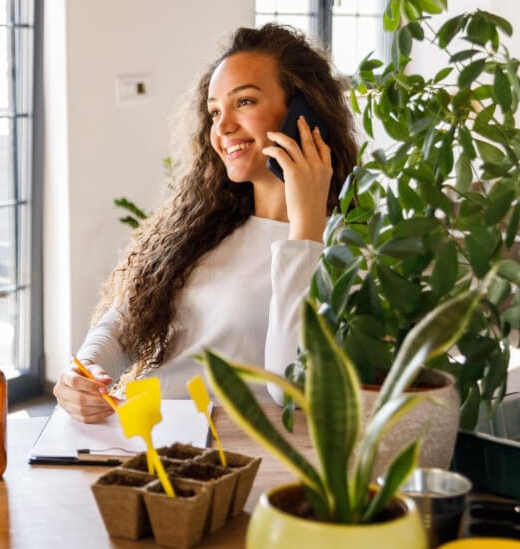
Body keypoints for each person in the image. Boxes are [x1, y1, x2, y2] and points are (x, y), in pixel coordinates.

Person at [54, 24, 359, 423]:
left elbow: (292, 390)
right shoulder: (205, 224)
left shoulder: (343, 247)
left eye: (244, 101)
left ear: (304, 114)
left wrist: (304, 231)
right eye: (215, 112)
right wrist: (84, 370)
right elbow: (127, 320)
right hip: (140, 435)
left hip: (233, 456)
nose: (223, 127)